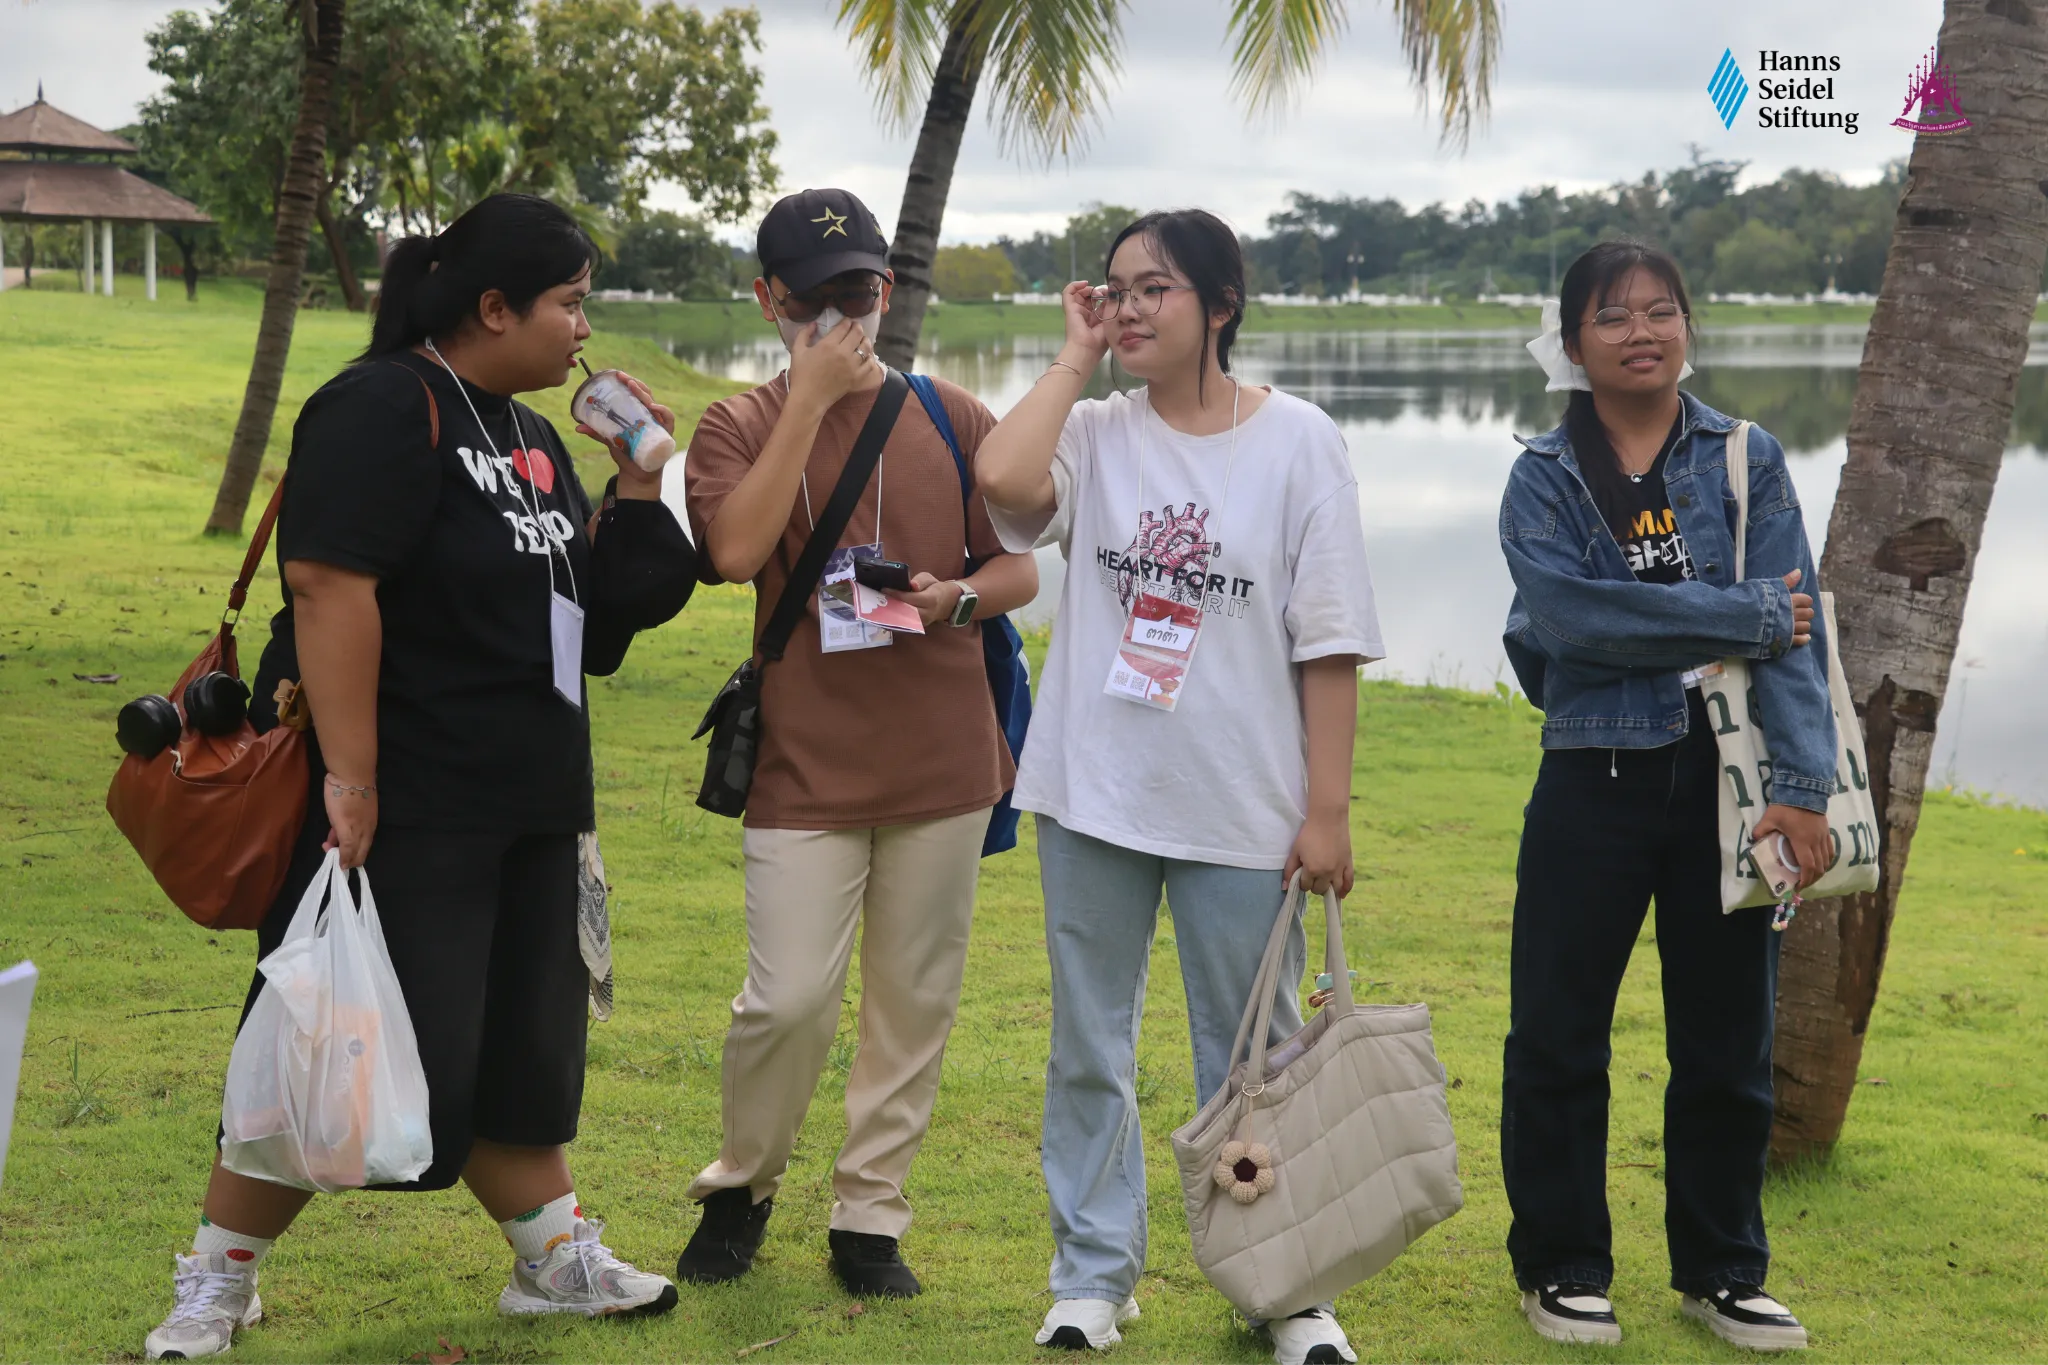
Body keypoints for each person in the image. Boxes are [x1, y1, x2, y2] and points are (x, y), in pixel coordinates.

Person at [143, 193, 697, 1361]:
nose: (583, 330)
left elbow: (593, 628)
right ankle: (216, 1281)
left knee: (519, 1050)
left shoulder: (530, 435)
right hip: (408, 796)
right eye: (568, 303)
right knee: (337, 1038)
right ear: (492, 307)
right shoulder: (387, 404)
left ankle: (552, 1259)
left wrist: (640, 476)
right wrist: (351, 778)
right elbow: (328, 585)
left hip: (532, 797)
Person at [974, 209, 1383, 1365]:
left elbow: (1329, 640)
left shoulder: (1299, 442)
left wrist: (1326, 812)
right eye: (1113, 288)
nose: (1128, 307)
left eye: (1154, 287)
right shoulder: (1093, 430)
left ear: (1220, 304)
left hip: (1241, 806)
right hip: (1093, 794)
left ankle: (1282, 1287)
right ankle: (1091, 1276)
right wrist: (1072, 355)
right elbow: (1000, 481)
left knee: (1255, 1063)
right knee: (1086, 1046)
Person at [675, 188, 1037, 1300]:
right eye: (817, 298)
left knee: (912, 1002)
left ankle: (869, 1212)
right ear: (769, 300)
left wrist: (953, 599)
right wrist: (809, 400)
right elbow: (734, 554)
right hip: (804, 764)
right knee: (784, 999)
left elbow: (1017, 566)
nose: (844, 317)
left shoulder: (950, 414)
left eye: (863, 291)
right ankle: (743, 1184)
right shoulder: (736, 426)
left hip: (943, 758)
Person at [1496, 240, 1834, 1353]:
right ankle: (1561, 1265)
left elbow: (1802, 633)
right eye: (1612, 316)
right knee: (1557, 1034)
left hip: (1728, 780)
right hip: (1591, 774)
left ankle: (1723, 1271)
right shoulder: (1544, 474)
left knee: (1727, 1041)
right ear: (1572, 341)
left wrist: (1802, 790)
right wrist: (1743, 613)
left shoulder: (1745, 456)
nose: (1640, 333)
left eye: (1659, 311)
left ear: (1688, 324)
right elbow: (1568, 620)